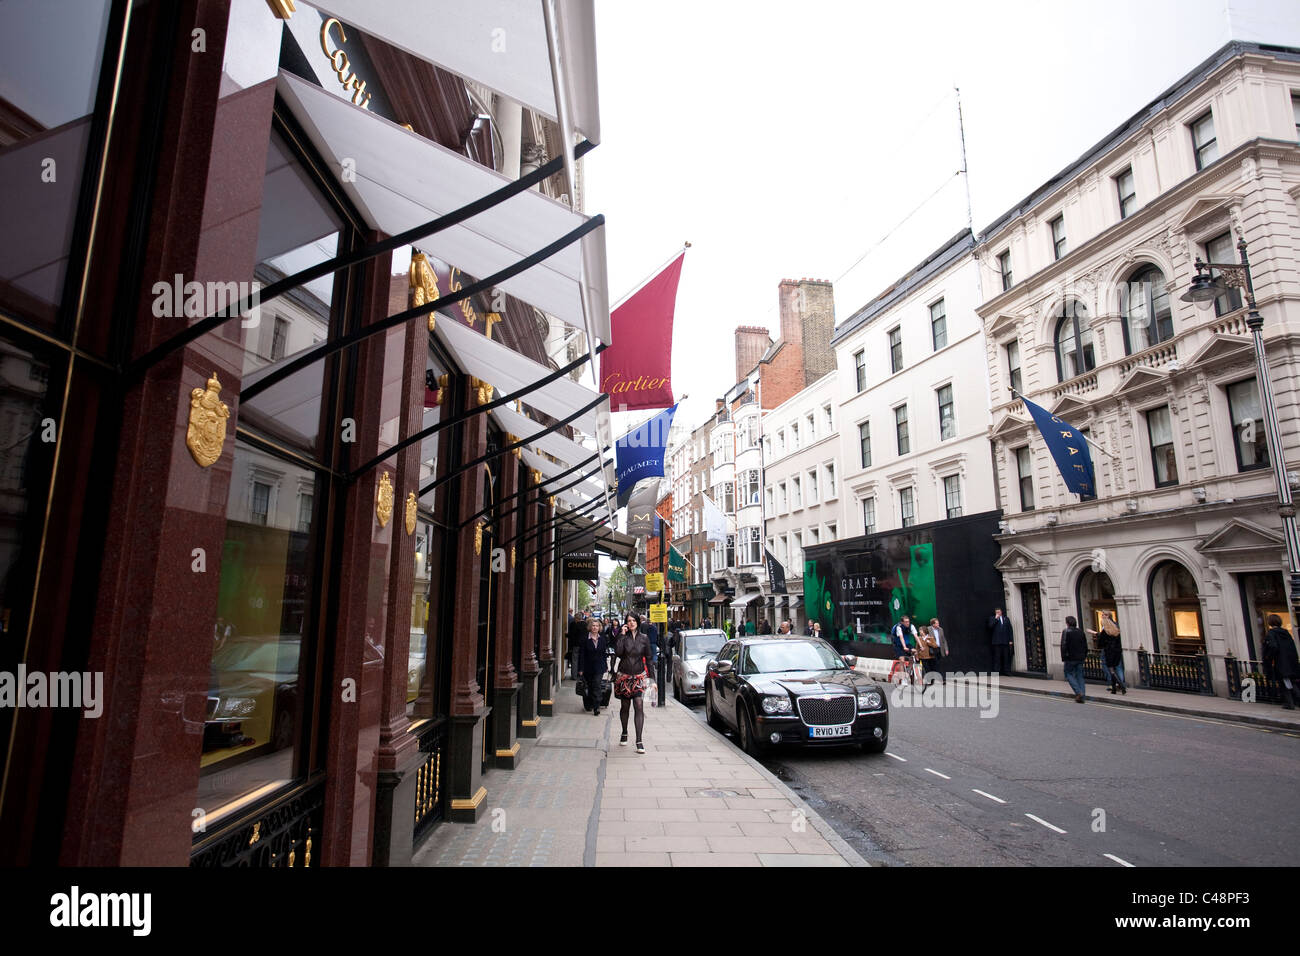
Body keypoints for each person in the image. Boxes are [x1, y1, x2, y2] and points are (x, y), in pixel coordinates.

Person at [614, 612, 652, 753]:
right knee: (625, 706)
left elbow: (649, 659)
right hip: (624, 676)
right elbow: (618, 652)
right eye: (628, 621)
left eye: (633, 620)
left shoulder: (644, 638)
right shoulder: (622, 637)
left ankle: (639, 740)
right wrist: (622, 635)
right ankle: (624, 732)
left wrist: (652, 679)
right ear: (626, 623)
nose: (631, 623)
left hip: (638, 676)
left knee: (639, 704)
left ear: (637, 622)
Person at [1262, 613, 1300, 710]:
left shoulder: (1271, 633)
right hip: (1291, 663)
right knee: (1291, 682)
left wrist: (1268, 657)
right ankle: (1292, 702)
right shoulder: (1286, 633)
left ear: (1270, 623)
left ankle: (1290, 704)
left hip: (1280, 663)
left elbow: (1273, 646)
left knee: (1284, 683)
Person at [1088, 614, 1126, 694]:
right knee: (1118, 667)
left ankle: (1120, 685)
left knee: (1111, 670)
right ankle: (1116, 688)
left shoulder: (1105, 632)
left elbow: (1100, 644)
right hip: (1117, 651)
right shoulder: (1116, 630)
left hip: (1108, 652)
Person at [578, 617, 608, 715]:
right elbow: (581, 654)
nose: (595, 628)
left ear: (599, 628)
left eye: (597, 626)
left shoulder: (602, 639)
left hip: (599, 667)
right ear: (590, 627)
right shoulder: (585, 639)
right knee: (590, 686)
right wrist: (581, 668)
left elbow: (604, 654)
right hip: (588, 667)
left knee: (597, 685)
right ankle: (590, 703)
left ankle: (597, 706)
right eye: (593, 626)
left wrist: (606, 666)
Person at [1060, 615, 1089, 702]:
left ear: (1067, 623)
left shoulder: (1066, 631)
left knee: (1068, 674)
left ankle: (1078, 692)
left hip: (1070, 658)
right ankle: (1082, 695)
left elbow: (1063, 645)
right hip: (1080, 657)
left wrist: (1064, 657)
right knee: (1080, 676)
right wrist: (1084, 655)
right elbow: (1085, 645)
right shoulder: (1080, 631)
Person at [988, 608, 1014, 676]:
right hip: (997, 642)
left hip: (1005, 641)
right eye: (996, 612)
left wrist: (1011, 640)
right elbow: (990, 626)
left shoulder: (1006, 619)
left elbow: (1010, 630)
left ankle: (1007, 671)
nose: (998, 613)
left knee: (1006, 657)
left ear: (1001, 612)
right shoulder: (992, 618)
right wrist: (996, 619)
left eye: (999, 612)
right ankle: (996, 671)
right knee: (997, 658)